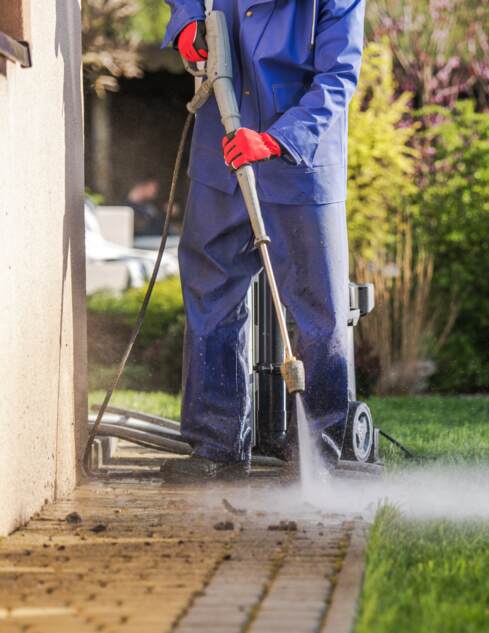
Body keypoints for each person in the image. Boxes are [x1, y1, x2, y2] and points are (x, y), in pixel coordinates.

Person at [160, 0, 365, 480]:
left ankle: (320, 453)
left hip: (296, 165)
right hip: (221, 156)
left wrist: (276, 140)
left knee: (318, 311)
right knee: (211, 297)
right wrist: (186, 20)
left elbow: (338, 78)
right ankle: (218, 448)